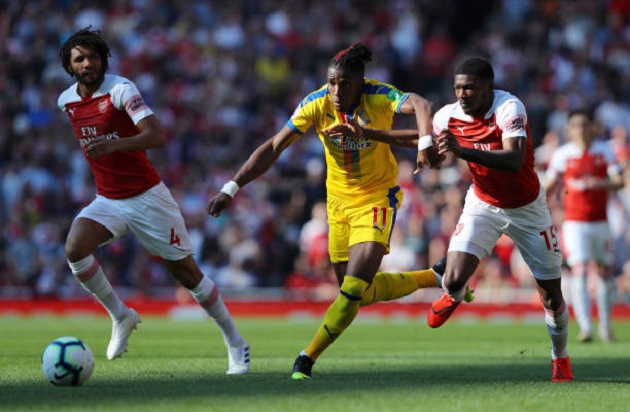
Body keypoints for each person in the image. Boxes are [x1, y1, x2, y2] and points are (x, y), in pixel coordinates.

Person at [207, 42, 456, 380]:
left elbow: (422, 104)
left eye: (345, 84)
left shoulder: (379, 95)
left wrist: (425, 142)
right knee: (357, 293)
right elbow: (274, 147)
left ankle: (306, 358)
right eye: (332, 82)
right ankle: (433, 277)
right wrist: (231, 187)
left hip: (376, 199)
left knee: (352, 290)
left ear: (361, 83)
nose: (337, 91)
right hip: (337, 205)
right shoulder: (316, 102)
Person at [57, 27, 249, 374]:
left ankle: (235, 342)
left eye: (93, 57)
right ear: (69, 66)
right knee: (75, 248)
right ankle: (121, 315)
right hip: (109, 199)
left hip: (148, 198)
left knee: (188, 275)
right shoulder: (66, 101)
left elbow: (156, 135)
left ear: (103, 60)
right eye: (79, 59)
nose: (88, 63)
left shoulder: (121, 89)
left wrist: (114, 144)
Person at [427, 57, 573, 382]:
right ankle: (455, 293)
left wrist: (462, 150)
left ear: (488, 87)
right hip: (483, 204)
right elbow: (429, 139)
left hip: (528, 209)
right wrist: (417, 146)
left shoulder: (509, 108)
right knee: (452, 278)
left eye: (469, 88)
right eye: (457, 87)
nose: (462, 94)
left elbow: (514, 159)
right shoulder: (447, 115)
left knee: (551, 296)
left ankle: (560, 357)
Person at [543, 110, 625, 343]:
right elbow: (549, 185)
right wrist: (539, 209)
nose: (580, 130)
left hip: (601, 221)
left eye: (584, 124)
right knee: (579, 270)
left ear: (592, 127)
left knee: (604, 271)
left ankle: (606, 326)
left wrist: (602, 183)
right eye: (576, 125)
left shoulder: (604, 150)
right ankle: (586, 327)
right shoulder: (563, 154)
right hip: (574, 223)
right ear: (569, 130)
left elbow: (620, 180)